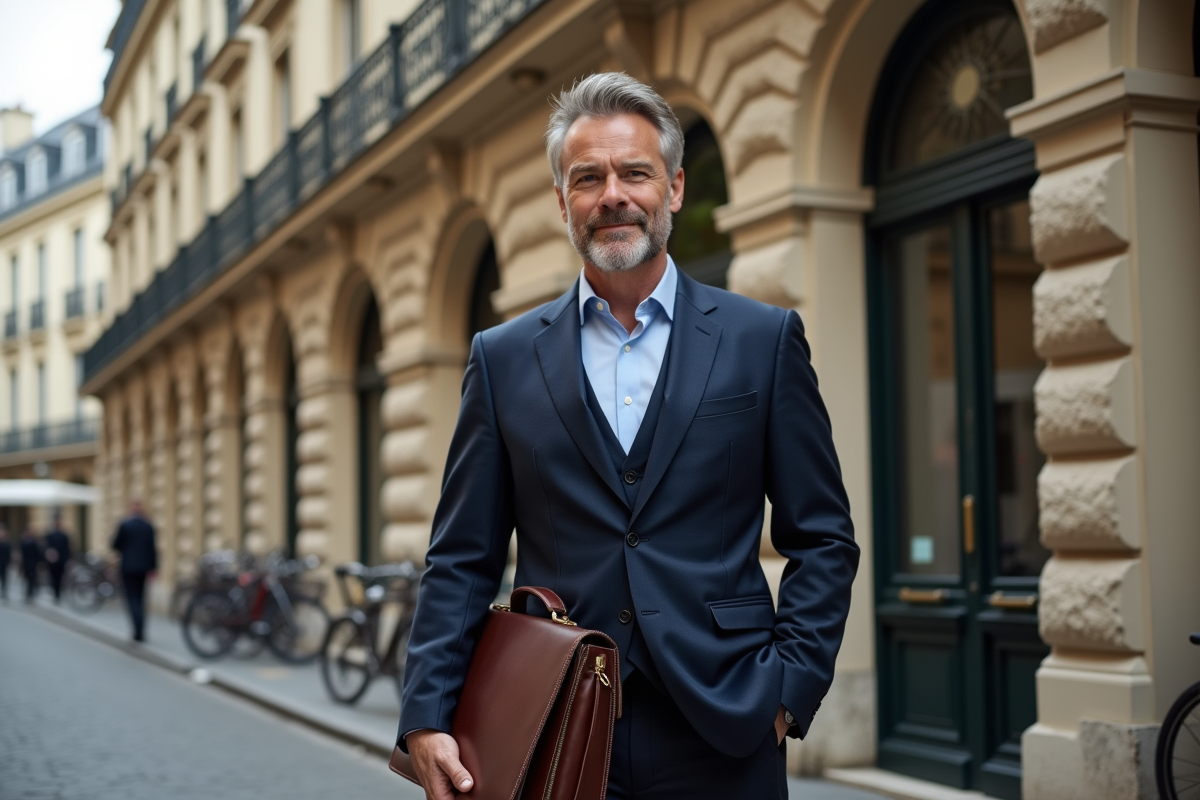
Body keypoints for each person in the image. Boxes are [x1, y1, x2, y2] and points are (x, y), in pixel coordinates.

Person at [398, 73, 860, 800]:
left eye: (634, 172)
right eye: (588, 178)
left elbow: (824, 537)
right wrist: (426, 714)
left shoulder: (760, 341)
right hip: (554, 723)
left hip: (726, 723)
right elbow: (461, 557)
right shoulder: (503, 358)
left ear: (674, 188)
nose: (612, 194)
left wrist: (787, 691)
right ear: (562, 203)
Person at [110, 500, 158, 642]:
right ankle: (141, 630)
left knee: (132, 599)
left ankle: (137, 631)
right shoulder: (148, 525)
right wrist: (154, 567)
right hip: (143, 567)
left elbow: (115, 544)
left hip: (128, 567)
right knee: (141, 598)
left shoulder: (125, 525)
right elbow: (153, 549)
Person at [43, 514, 71, 604]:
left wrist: (68, 560)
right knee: (53, 577)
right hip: (52, 561)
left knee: (60, 578)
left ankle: (58, 594)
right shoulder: (50, 535)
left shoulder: (64, 536)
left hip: (61, 561)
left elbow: (68, 549)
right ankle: (56, 593)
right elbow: (46, 548)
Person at [19, 526, 42, 603]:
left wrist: (39, 562)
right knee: (27, 579)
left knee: (32, 579)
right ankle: (28, 594)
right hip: (26, 564)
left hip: (33, 564)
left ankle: (30, 593)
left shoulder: (34, 542)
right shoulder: (24, 541)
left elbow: (38, 553)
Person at [0, 524, 10, 601]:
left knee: (4, 578)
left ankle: (4, 592)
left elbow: (8, 554)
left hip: (4, 563)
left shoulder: (6, 543)